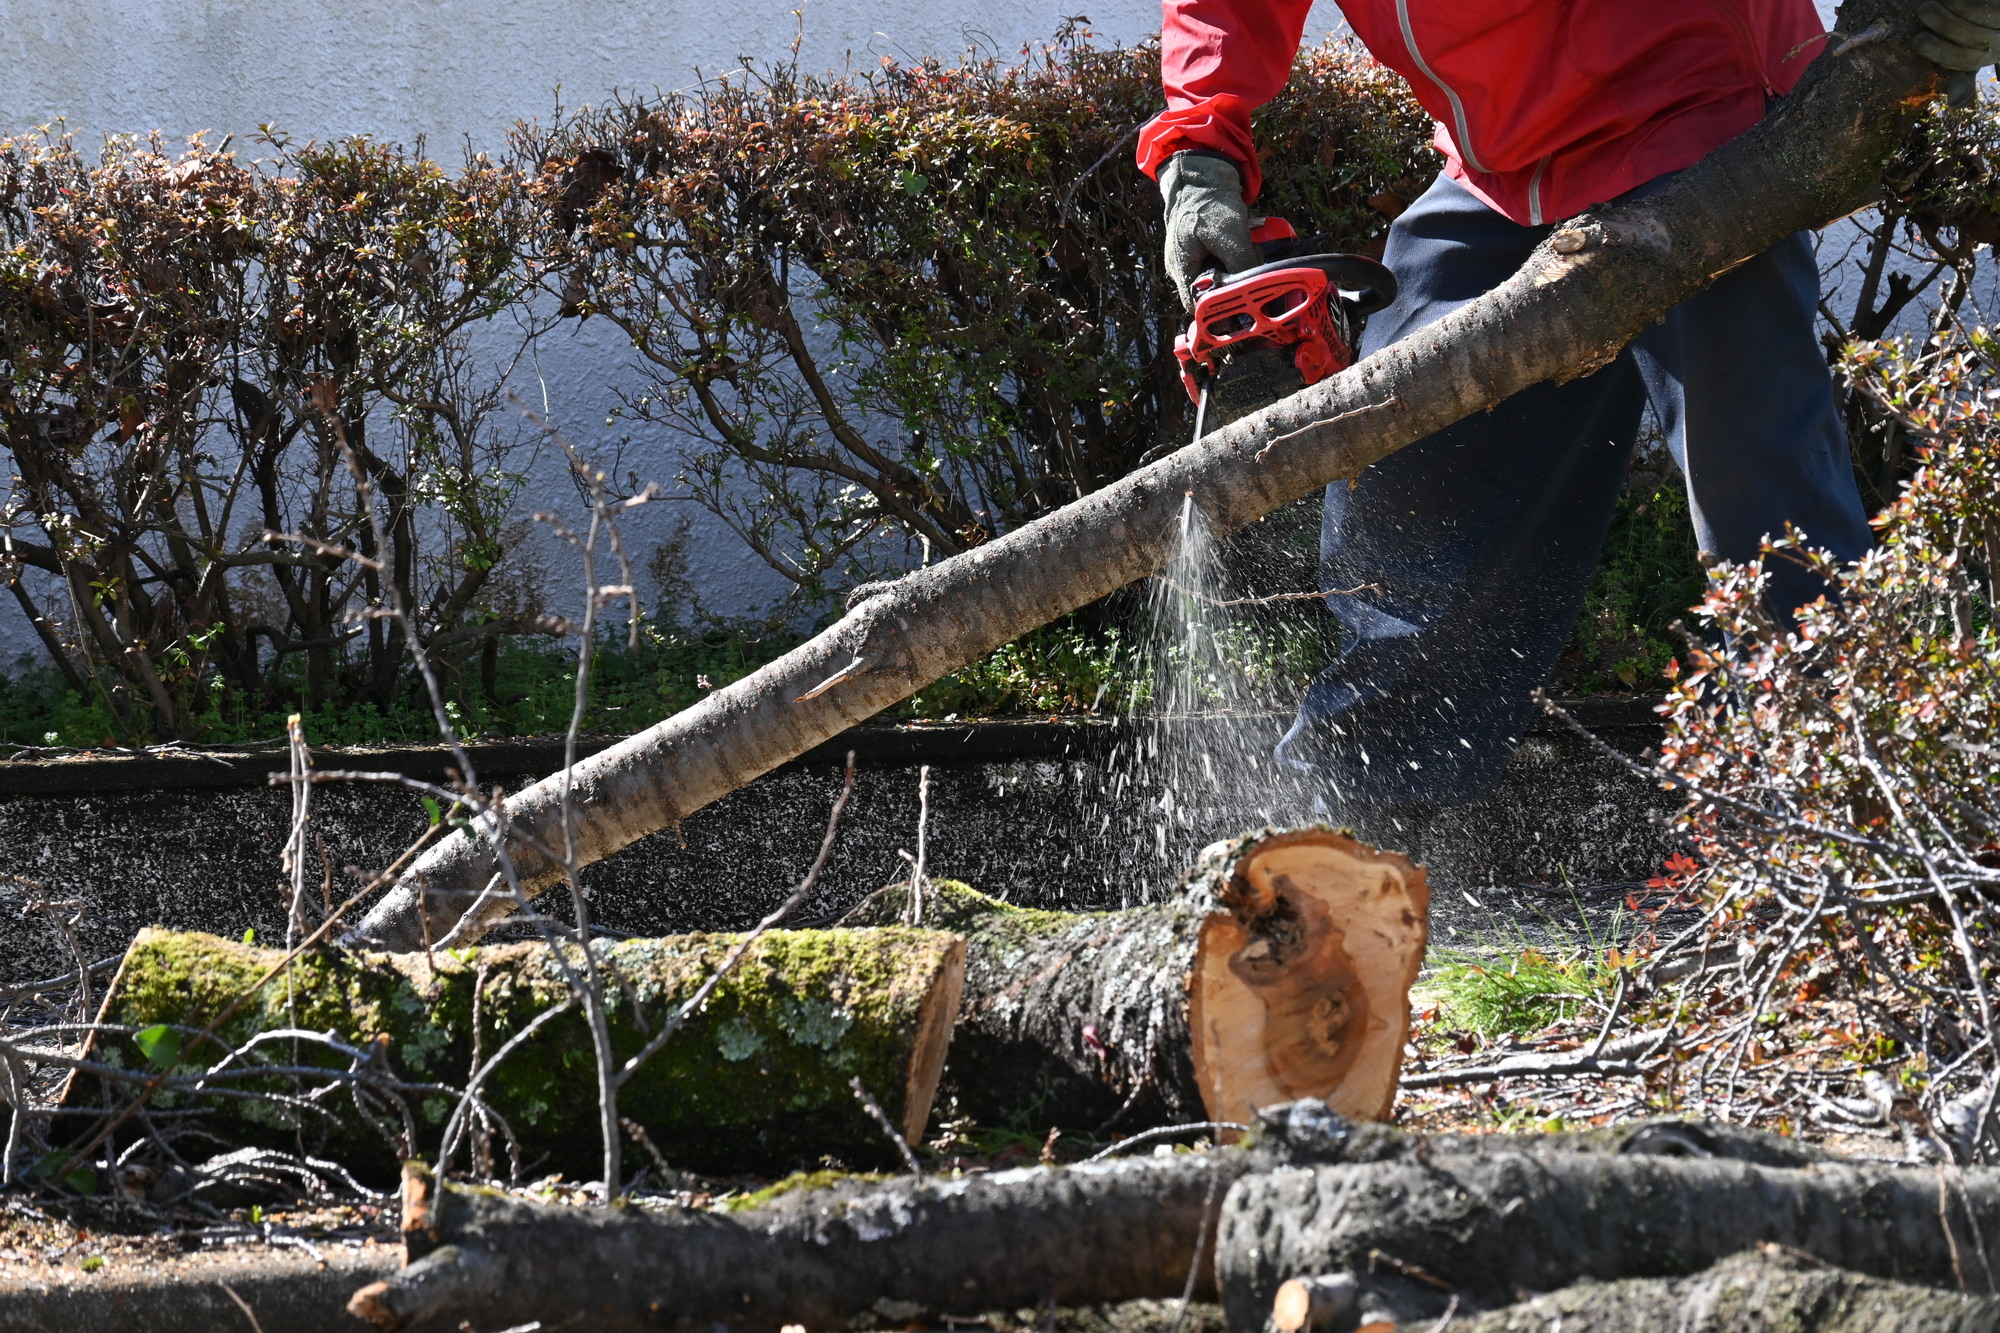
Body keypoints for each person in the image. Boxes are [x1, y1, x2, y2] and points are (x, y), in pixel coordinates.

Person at [1140, 0, 2000, 824]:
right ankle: (1359, 815)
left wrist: (1923, 32)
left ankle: (1846, 827)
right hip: (1501, 170)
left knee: (1762, 500)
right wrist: (1199, 149)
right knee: (1407, 473)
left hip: (1703, 131)